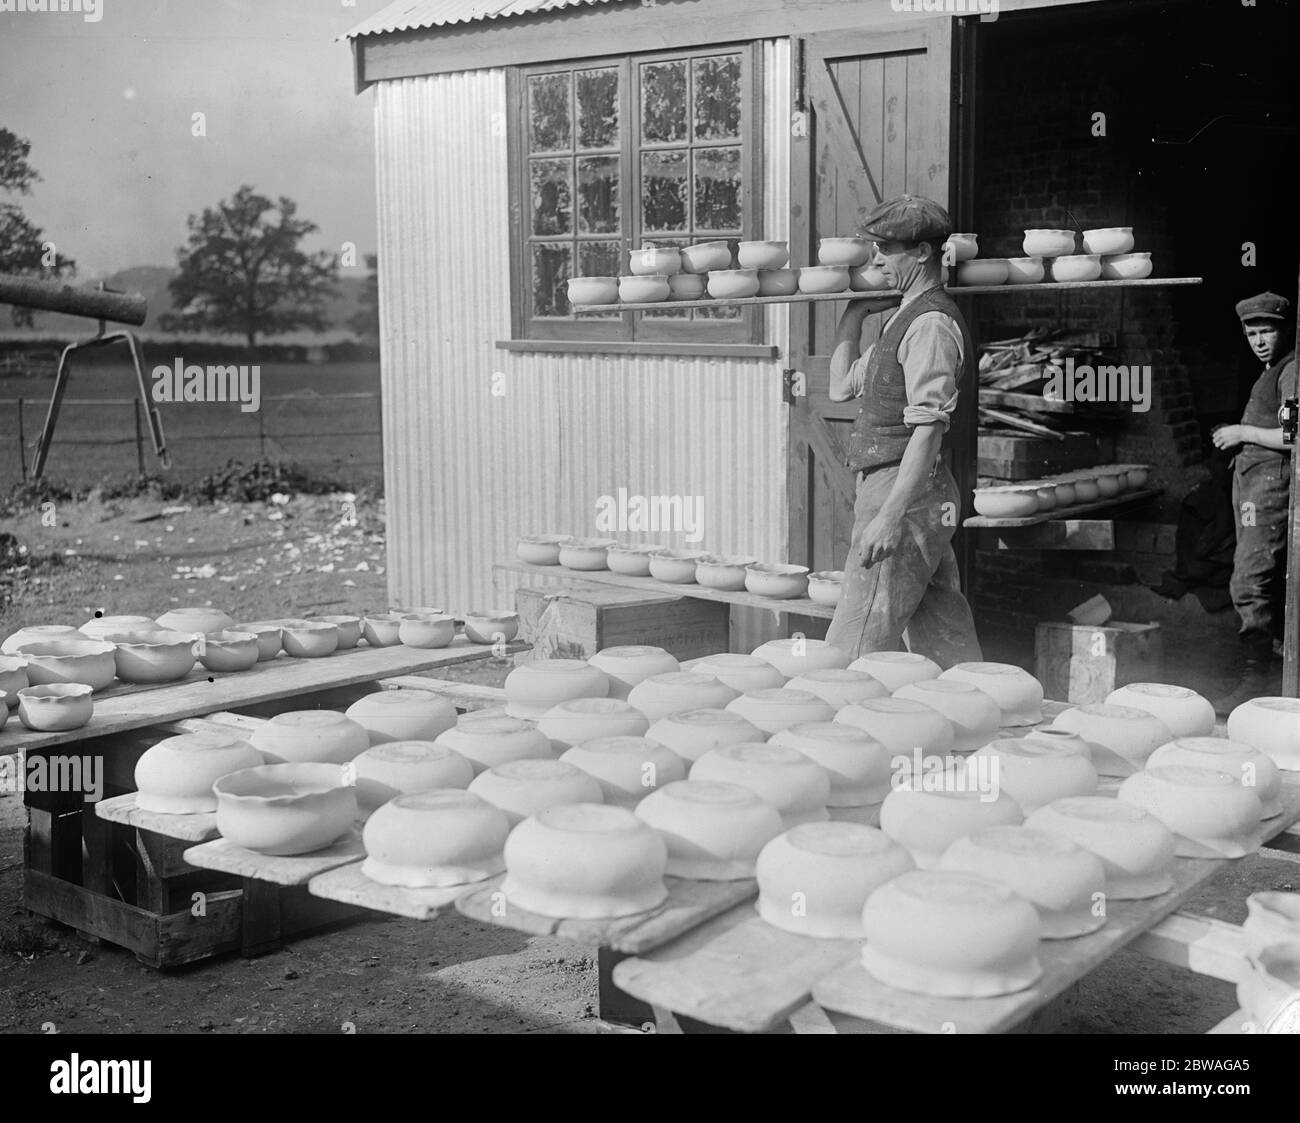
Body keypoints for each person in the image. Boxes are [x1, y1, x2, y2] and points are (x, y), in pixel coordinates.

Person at [823, 194, 983, 666]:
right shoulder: (901, 320)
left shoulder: (929, 325)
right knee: (942, 630)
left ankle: (841, 730)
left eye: (887, 248)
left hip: (906, 491)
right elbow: (838, 388)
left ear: (922, 253)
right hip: (915, 493)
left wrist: (890, 516)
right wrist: (855, 313)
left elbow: (928, 431)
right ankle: (976, 706)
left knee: (856, 640)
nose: (876, 258)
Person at [1211, 291, 1296, 712]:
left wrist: (1242, 433)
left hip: (1269, 485)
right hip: (1252, 482)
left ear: (1285, 330)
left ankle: (1254, 678)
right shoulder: (1272, 369)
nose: (1259, 340)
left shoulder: (1291, 369)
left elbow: (1294, 435)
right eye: (1252, 332)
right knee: (1255, 576)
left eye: (1268, 331)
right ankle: (1266, 676)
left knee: (1250, 577)